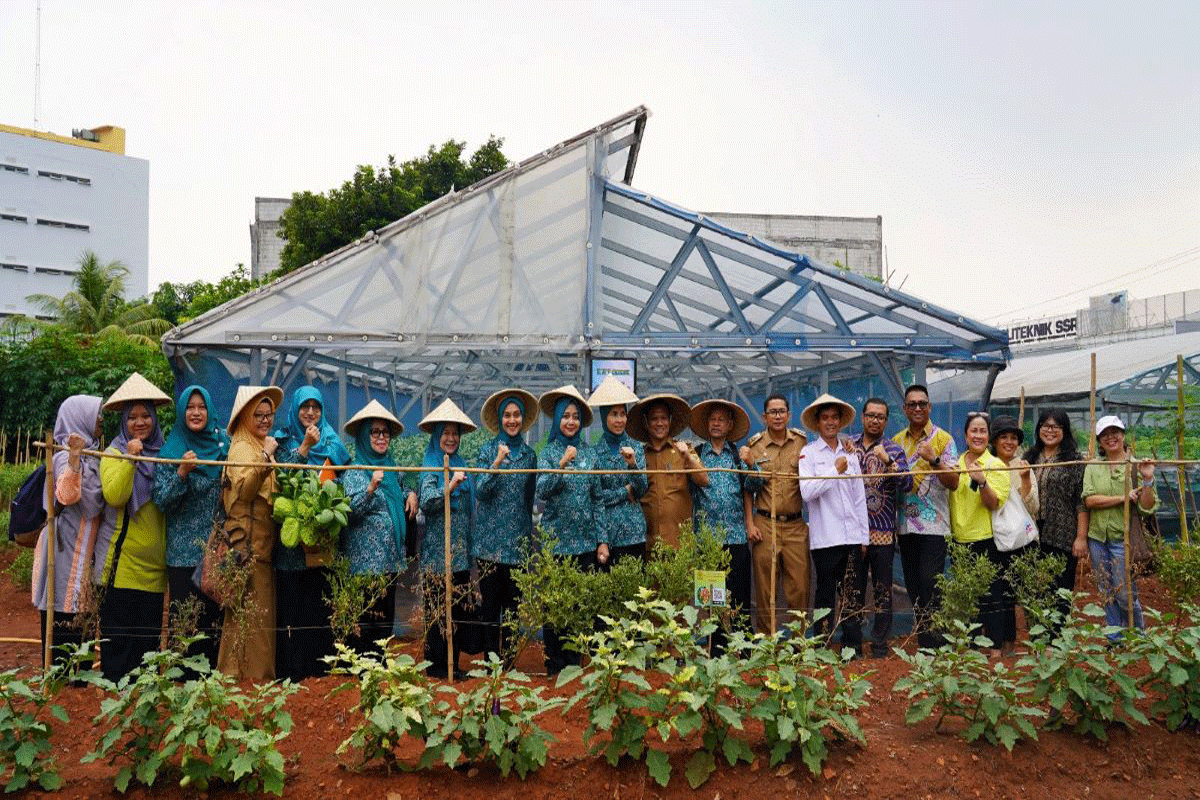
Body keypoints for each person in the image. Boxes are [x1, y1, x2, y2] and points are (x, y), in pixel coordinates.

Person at [271, 385, 351, 681]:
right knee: (292, 608)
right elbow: (280, 480)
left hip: (324, 545)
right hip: (291, 546)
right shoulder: (281, 442)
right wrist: (303, 447)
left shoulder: (333, 442)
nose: (311, 412)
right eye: (305, 406)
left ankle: (318, 673)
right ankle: (291, 673)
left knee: (319, 608)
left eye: (316, 407)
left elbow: (352, 477)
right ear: (295, 409)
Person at [97, 373, 171, 683]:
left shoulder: (166, 453)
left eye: (145, 416)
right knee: (118, 647)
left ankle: (143, 716)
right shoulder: (113, 452)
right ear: (123, 422)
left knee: (147, 649)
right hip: (122, 565)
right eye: (132, 417)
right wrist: (130, 459)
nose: (139, 423)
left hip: (155, 573)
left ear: (154, 419)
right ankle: (115, 711)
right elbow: (115, 495)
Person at [152, 385, 229, 671]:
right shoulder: (172, 450)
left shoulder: (224, 448)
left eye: (201, 407)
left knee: (212, 624)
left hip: (216, 553)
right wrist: (181, 474)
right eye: (190, 407)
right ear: (182, 412)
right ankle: (180, 683)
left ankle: (209, 690)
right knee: (185, 622)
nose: (196, 412)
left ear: (209, 411)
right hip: (184, 555)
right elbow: (161, 501)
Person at [535, 385, 607, 675]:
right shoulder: (548, 452)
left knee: (580, 605)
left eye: (575, 416)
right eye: (565, 416)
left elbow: (598, 499)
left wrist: (602, 541)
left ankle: (575, 663)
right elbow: (541, 490)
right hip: (556, 541)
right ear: (556, 420)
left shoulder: (590, 455)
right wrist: (562, 466)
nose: (571, 422)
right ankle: (555, 663)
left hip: (586, 542)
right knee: (554, 605)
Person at [31, 395, 108, 669]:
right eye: (96, 414)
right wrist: (75, 459)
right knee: (62, 611)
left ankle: (80, 683)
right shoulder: (65, 456)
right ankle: (59, 687)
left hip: (85, 551)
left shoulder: (96, 455)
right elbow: (65, 495)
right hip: (64, 550)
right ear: (80, 419)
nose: (101, 420)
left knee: (83, 612)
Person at [217, 385, 283, 682]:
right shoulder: (243, 447)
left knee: (257, 614)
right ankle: (246, 681)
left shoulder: (257, 444)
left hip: (260, 546)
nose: (264, 420)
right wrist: (266, 456)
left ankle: (249, 680)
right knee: (249, 613)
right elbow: (244, 491)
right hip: (248, 545)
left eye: (268, 414)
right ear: (245, 416)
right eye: (257, 414)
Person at [340, 400, 415, 656]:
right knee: (366, 615)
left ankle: (380, 663)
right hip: (364, 562)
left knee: (385, 615)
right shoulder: (355, 470)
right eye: (375, 432)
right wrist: (370, 488)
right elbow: (349, 512)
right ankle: (363, 666)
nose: (382, 437)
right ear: (364, 436)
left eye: (386, 433)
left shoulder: (391, 468)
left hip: (389, 559)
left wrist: (411, 493)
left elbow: (398, 491)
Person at [473, 388, 539, 663]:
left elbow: (529, 496)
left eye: (516, 415)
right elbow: (481, 491)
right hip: (489, 543)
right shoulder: (486, 451)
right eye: (507, 416)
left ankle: (509, 663)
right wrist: (497, 462)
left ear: (522, 420)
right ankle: (491, 664)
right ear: (500, 419)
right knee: (490, 608)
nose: (512, 420)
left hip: (517, 542)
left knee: (513, 607)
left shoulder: (529, 456)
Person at [1077, 415, 1157, 641]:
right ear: (1099, 441)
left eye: (1115, 432)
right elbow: (1090, 500)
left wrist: (1147, 481)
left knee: (1123, 592)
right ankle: (1115, 639)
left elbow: (1146, 506)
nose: (1111, 437)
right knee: (1105, 591)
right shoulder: (1093, 466)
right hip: (1097, 538)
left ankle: (1138, 634)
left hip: (1123, 539)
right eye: (1105, 434)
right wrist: (1122, 498)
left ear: (1123, 435)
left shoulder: (1135, 466)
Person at [798, 394, 869, 645]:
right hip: (826, 539)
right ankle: (822, 646)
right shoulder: (808, 454)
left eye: (834, 418)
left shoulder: (850, 453)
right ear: (817, 423)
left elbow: (858, 496)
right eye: (825, 418)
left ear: (840, 422)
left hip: (851, 538)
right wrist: (833, 471)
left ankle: (853, 647)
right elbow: (807, 492)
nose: (830, 422)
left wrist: (864, 538)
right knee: (825, 597)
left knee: (852, 595)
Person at [844, 398, 911, 658]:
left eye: (880, 416)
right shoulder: (848, 445)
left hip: (882, 531)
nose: (875, 420)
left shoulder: (893, 449)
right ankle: (852, 645)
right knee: (853, 589)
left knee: (883, 591)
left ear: (886, 420)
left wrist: (888, 463)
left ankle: (880, 645)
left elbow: (907, 484)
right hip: (851, 532)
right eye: (870, 415)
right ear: (862, 417)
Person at [893, 384, 959, 647]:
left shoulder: (943, 440)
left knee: (930, 582)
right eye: (912, 404)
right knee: (913, 586)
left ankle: (937, 643)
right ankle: (925, 641)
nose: (917, 408)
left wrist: (933, 460)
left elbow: (954, 481)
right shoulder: (897, 441)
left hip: (934, 525)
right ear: (905, 409)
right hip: (906, 526)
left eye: (922, 403)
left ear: (930, 407)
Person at [688, 398, 758, 641]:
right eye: (712, 419)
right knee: (711, 601)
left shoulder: (738, 457)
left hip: (737, 538)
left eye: (721, 420)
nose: (716, 424)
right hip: (707, 541)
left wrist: (753, 464)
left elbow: (754, 484)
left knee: (739, 598)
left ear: (729, 425)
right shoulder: (695, 455)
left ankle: (745, 650)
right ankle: (715, 648)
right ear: (707, 424)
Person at [418, 398, 478, 680]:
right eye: (446, 433)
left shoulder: (462, 462)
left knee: (456, 609)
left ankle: (453, 663)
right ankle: (436, 667)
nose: (451, 438)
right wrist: (450, 484)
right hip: (437, 552)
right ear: (436, 436)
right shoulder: (430, 464)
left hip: (460, 551)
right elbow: (427, 502)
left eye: (455, 433)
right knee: (437, 610)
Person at [948, 412, 1011, 653]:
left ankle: (994, 648)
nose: (978, 435)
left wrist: (982, 481)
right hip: (959, 539)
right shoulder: (956, 464)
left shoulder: (996, 465)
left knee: (991, 596)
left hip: (987, 539)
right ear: (965, 436)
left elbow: (994, 503)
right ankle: (972, 647)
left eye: (982, 431)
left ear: (988, 436)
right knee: (967, 598)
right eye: (973, 431)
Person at [744, 393, 808, 634]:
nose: (778, 416)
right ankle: (766, 642)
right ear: (765, 416)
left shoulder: (802, 443)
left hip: (795, 524)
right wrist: (750, 524)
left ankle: (798, 643)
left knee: (799, 587)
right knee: (765, 588)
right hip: (765, 523)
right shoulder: (754, 446)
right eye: (773, 412)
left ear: (789, 415)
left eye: (782, 411)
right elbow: (747, 489)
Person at [1023, 409, 1086, 634]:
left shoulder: (1075, 461)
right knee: (1034, 587)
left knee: (1061, 588)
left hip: (1063, 532)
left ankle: (1056, 640)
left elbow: (1081, 502)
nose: (1050, 431)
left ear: (1064, 431)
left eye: (1056, 426)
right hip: (1032, 533)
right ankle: (1038, 637)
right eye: (1045, 425)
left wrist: (1080, 537)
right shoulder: (1028, 458)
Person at [627, 394, 709, 553]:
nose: (659, 423)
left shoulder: (684, 449)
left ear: (670, 421)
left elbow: (704, 480)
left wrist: (687, 458)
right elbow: (633, 491)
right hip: (649, 544)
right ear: (646, 422)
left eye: (664, 418)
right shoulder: (640, 456)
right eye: (654, 419)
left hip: (680, 543)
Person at [989, 415, 1038, 654]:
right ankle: (1006, 642)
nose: (1009, 442)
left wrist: (1026, 479)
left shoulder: (1022, 465)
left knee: (1027, 592)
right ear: (994, 441)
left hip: (1022, 540)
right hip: (995, 539)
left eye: (1014, 438)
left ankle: (1035, 644)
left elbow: (1033, 507)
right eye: (1003, 437)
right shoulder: (987, 464)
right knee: (1001, 593)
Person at [587, 376, 647, 565]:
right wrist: (625, 491)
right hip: (609, 534)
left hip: (634, 533)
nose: (620, 420)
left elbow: (642, 489)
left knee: (636, 592)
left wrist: (632, 465)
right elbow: (596, 498)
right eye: (614, 414)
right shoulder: (594, 453)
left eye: (623, 414)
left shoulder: (635, 448)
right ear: (605, 417)